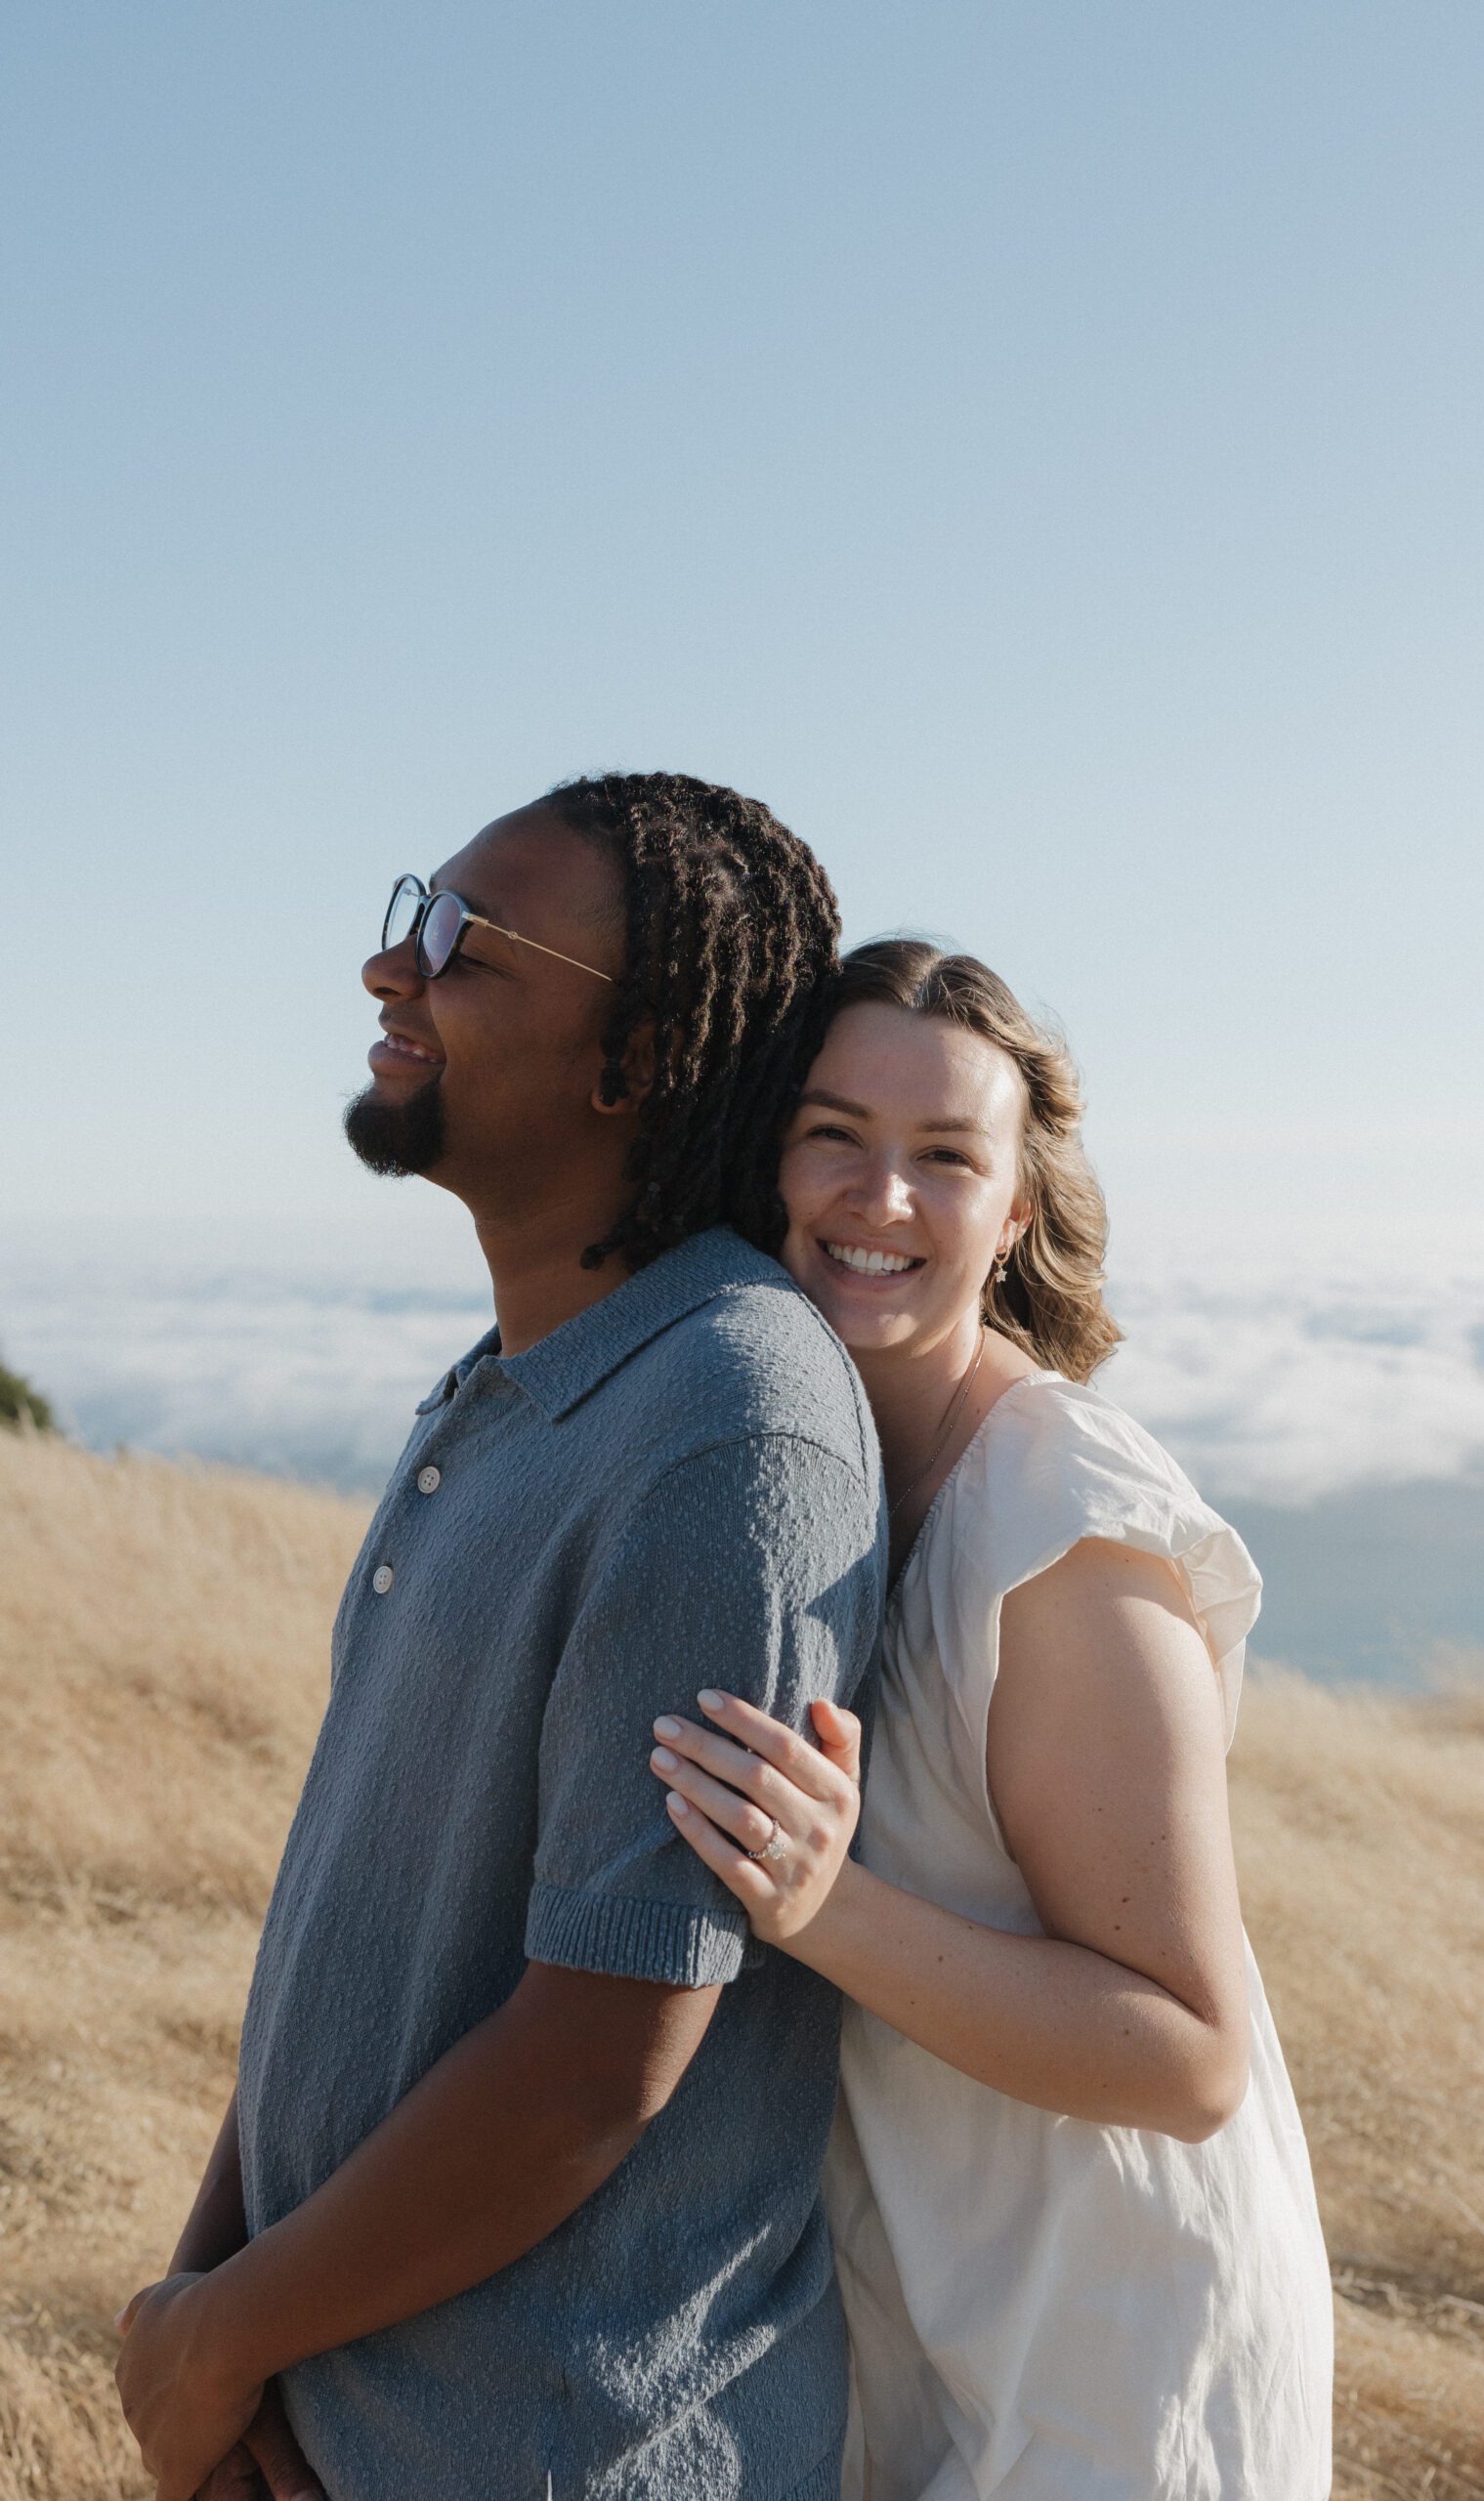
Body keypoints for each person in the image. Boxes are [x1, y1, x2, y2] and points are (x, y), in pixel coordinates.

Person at [113, 775, 886, 2501]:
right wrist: (211, 2324)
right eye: (413, 911)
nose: (395, 968)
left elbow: (592, 2059)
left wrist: (229, 2337)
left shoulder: (727, 1428)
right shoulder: (513, 1388)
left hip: (546, 2453)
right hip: (339, 2410)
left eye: (465, 941)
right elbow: (359, 1928)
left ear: (642, 1050)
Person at [649, 939, 1335, 2501]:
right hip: (931, 2339)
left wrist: (825, 1905)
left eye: (945, 1157)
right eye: (836, 1134)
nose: (880, 1198)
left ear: (1013, 1211)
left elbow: (1190, 2057)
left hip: (1119, 2371)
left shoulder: (1061, 1523)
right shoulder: (825, 1476)